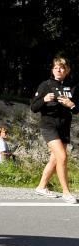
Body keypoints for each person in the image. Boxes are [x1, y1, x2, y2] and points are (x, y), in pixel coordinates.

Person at [31, 56, 78, 203]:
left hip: (64, 126)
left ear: (67, 70)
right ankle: (66, 192)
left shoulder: (73, 87)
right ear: (52, 70)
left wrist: (71, 104)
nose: (59, 69)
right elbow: (33, 107)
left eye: (62, 67)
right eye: (56, 67)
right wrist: (44, 100)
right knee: (62, 157)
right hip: (49, 125)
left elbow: (76, 109)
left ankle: (41, 187)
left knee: (55, 159)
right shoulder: (45, 85)